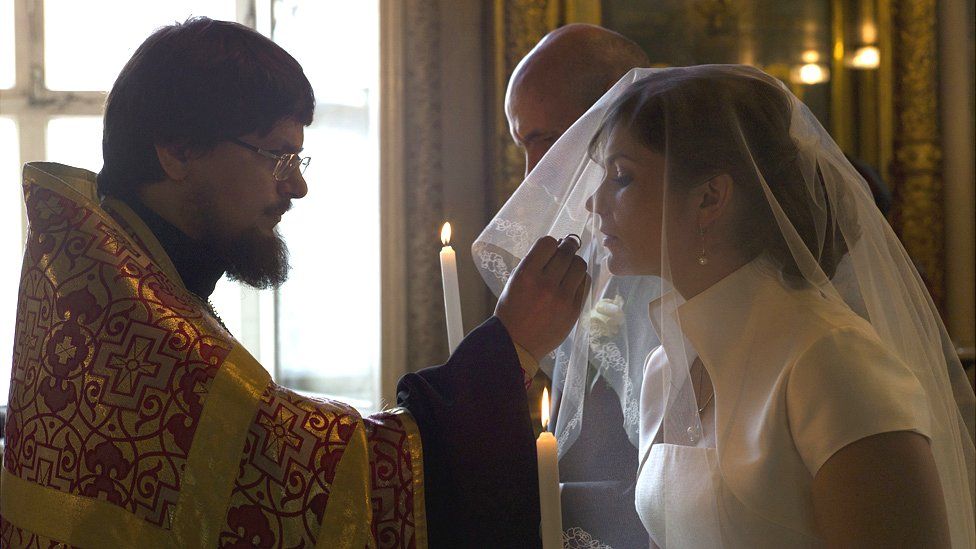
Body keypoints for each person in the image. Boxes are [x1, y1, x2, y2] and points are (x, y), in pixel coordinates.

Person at [0, 18, 588, 548]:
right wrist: (507, 346)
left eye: (298, 161)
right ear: (178, 151)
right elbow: (320, 478)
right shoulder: (123, 322)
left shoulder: (122, 281)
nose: (296, 187)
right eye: (277, 156)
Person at [475, 65, 976, 546]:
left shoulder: (832, 361)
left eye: (622, 177)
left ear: (710, 197)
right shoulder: (664, 366)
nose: (594, 203)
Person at [502, 23, 653, 547]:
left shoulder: (679, 264)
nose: (530, 172)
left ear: (610, 117)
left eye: (542, 139)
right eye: (522, 144)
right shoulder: (588, 252)